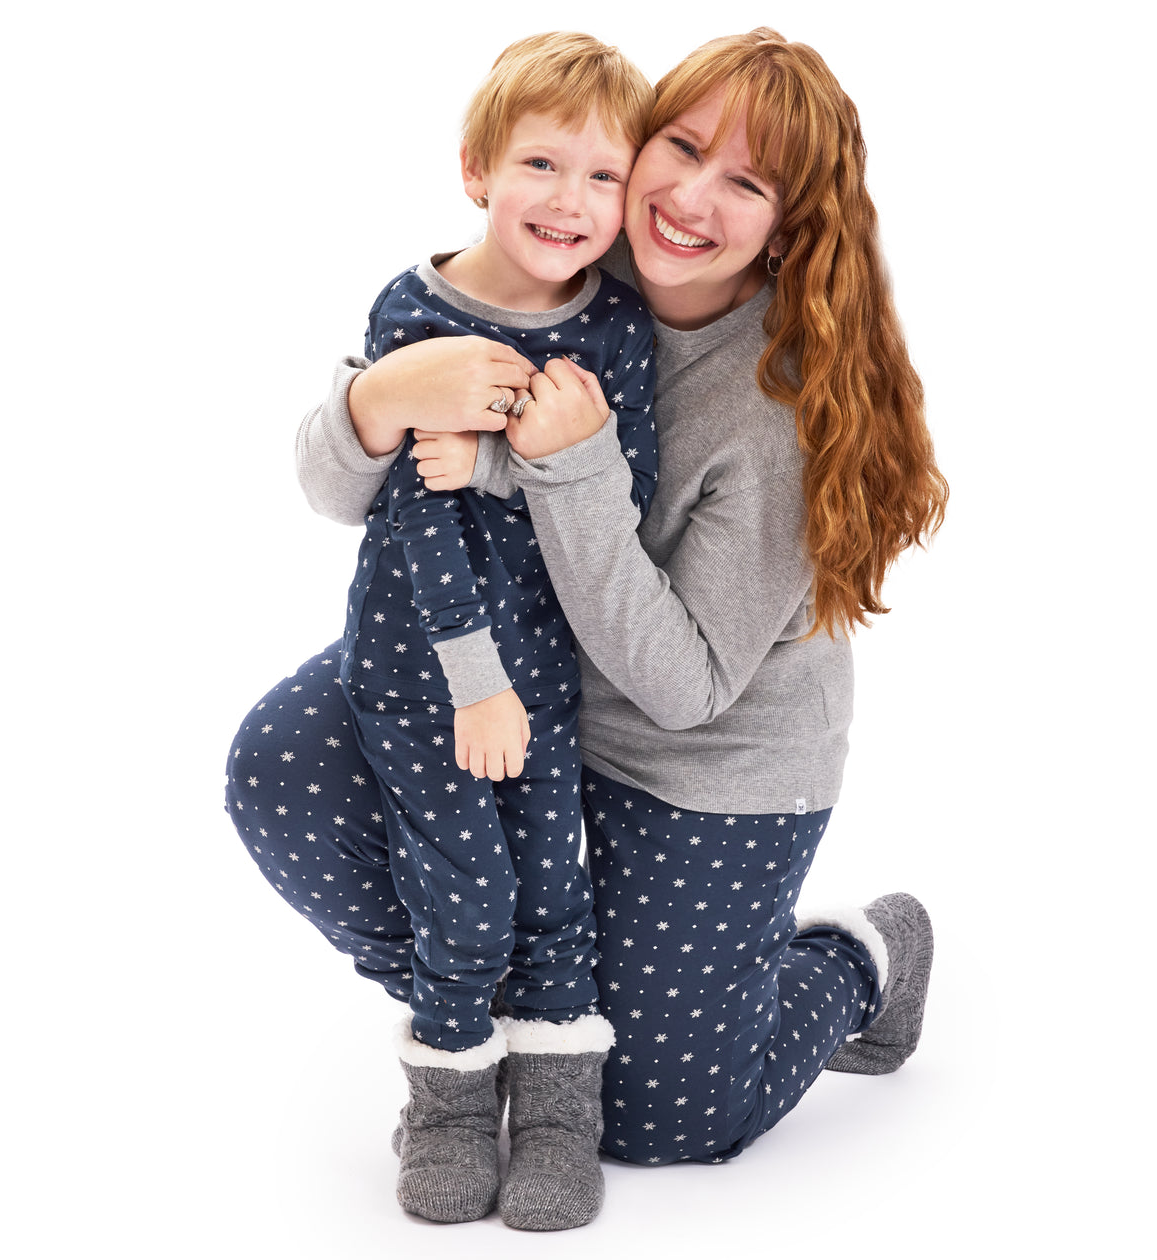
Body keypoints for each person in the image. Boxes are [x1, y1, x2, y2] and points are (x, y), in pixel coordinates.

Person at [226, 22, 945, 1212]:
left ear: (790, 222)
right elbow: (343, 492)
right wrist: (377, 398)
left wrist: (568, 469)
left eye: (747, 181)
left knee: (660, 1124)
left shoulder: (780, 409)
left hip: (695, 760)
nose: (688, 197)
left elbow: (684, 686)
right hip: (507, 683)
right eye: (680, 145)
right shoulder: (565, 251)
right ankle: (501, 1014)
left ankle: (859, 957)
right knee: (286, 764)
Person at [241, 32, 658, 1231]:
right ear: (477, 169)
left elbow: (618, 485)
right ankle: (452, 1106)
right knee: (462, 887)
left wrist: (495, 461)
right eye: (541, 163)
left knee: (549, 889)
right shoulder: (414, 307)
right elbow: (416, 523)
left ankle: (561, 1115)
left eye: (601, 177)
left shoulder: (615, 328)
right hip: (425, 669)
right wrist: (476, 682)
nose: (569, 201)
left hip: (549, 672)